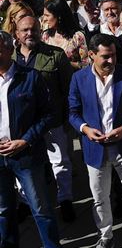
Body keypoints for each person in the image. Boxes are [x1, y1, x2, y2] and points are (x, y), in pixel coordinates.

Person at [68, 33, 122, 248]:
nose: (111, 61)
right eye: (105, 57)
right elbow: (73, 112)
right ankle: (105, 236)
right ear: (91, 55)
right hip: (94, 149)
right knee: (99, 197)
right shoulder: (79, 79)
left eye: (113, 55)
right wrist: (85, 129)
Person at [0, 30, 62, 248]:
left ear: (9, 49)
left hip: (26, 154)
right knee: (3, 209)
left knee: (40, 208)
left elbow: (49, 114)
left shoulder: (30, 77)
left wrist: (25, 140)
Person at [13, 15, 77, 222]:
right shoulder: (10, 58)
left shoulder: (55, 55)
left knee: (60, 162)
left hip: (52, 120)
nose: (30, 33)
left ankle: (65, 200)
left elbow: (69, 89)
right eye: (25, 30)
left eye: (33, 29)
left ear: (40, 31)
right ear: (17, 33)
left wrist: (68, 118)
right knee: (22, 164)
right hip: (22, 124)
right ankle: (24, 202)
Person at [42, 0, 90, 69]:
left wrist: (66, 63)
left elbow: (86, 64)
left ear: (59, 16)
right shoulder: (45, 36)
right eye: (44, 15)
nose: (44, 19)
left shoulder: (77, 37)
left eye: (47, 15)